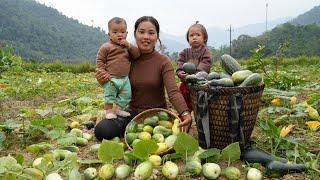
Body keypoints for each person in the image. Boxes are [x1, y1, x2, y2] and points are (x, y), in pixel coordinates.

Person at [95, 16, 192, 140]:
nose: (146, 37)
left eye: (151, 33)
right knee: (102, 130)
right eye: (141, 32)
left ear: (157, 36)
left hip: (158, 116)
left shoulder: (163, 62)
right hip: (132, 114)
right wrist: (102, 80)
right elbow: (114, 83)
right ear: (134, 34)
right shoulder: (125, 59)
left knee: (171, 135)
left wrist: (185, 113)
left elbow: (173, 91)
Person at [96, 17, 140, 119]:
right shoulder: (106, 47)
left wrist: (129, 45)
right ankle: (108, 111)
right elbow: (100, 61)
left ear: (127, 33)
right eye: (115, 32)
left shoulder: (127, 47)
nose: (119, 34)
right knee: (109, 95)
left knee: (126, 95)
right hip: (111, 78)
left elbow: (137, 54)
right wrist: (102, 72)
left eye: (122, 32)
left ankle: (119, 109)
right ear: (109, 34)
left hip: (125, 78)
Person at [176, 21, 212, 110]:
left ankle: (199, 119)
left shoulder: (206, 52)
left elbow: (205, 65)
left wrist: (194, 76)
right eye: (191, 35)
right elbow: (180, 63)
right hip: (185, 84)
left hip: (200, 85)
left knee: (200, 107)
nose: (194, 37)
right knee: (183, 104)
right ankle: (185, 117)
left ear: (205, 38)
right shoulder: (184, 52)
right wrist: (180, 72)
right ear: (188, 39)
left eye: (198, 35)